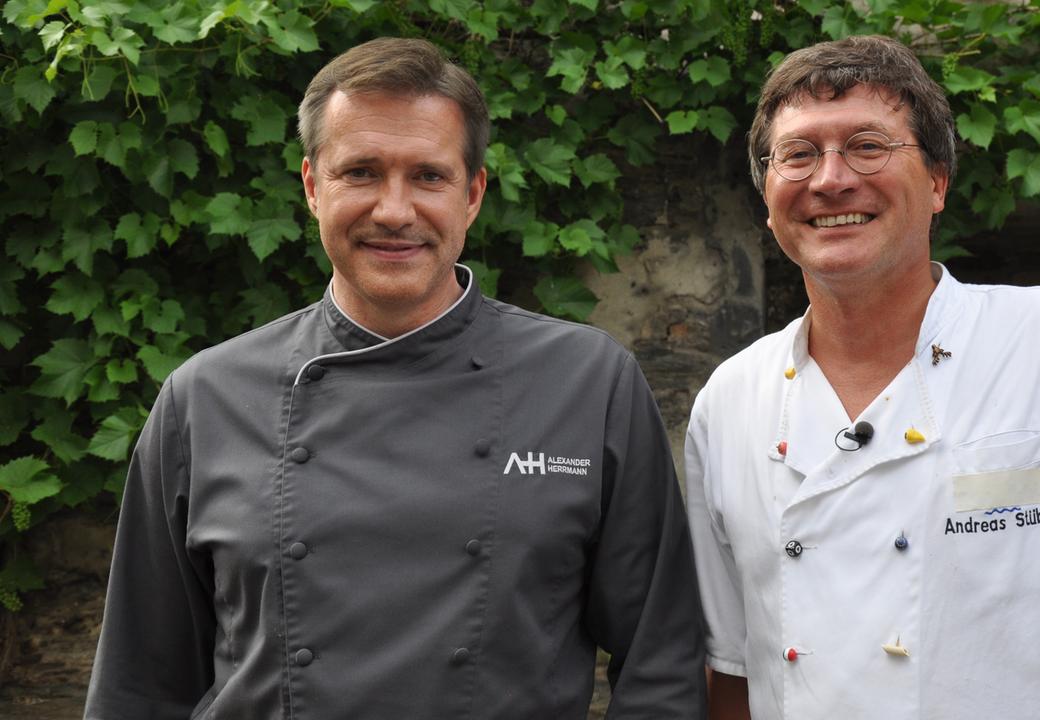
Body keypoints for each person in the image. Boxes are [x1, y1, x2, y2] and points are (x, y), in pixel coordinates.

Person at [84, 37, 705, 719]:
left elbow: (661, 664)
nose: (394, 211)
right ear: (312, 187)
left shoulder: (587, 382)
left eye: (429, 176)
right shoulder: (205, 398)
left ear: (472, 195)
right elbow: (137, 688)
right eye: (361, 172)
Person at [685, 35, 1040, 719]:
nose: (831, 180)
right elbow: (734, 675)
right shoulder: (730, 402)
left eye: (867, 146)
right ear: (769, 199)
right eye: (798, 154)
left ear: (937, 182)